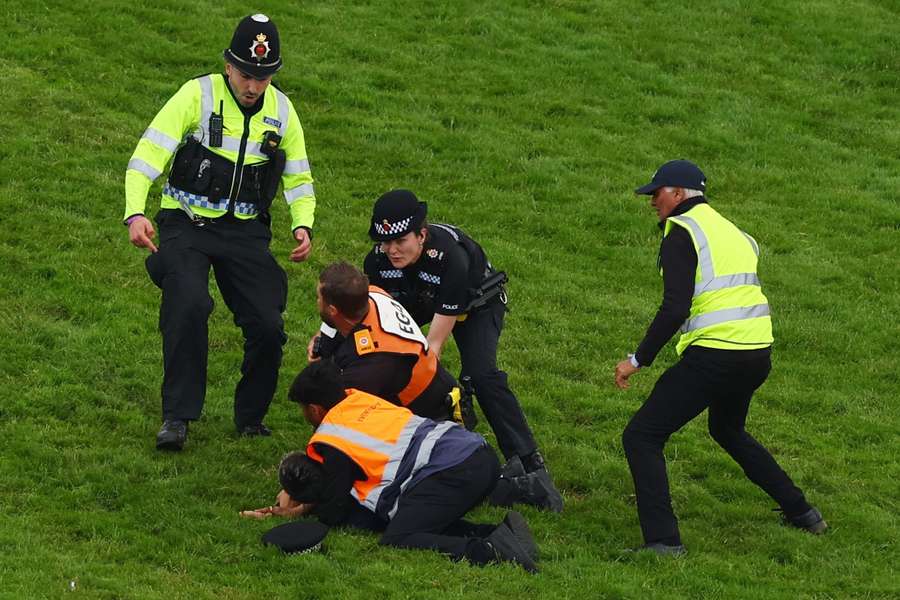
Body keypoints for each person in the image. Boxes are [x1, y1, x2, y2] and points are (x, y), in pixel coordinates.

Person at [123, 14, 317, 450]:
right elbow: (147, 154)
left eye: (263, 77)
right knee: (188, 304)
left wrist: (303, 222)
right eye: (247, 74)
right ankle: (177, 417)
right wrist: (136, 213)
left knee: (268, 324)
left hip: (245, 232)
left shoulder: (283, 112)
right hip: (186, 224)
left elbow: (300, 177)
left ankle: (250, 418)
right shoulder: (197, 94)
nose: (253, 86)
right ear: (228, 66)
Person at [614, 159, 827, 555]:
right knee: (728, 430)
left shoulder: (681, 231)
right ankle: (803, 512)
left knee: (642, 436)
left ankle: (663, 541)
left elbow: (675, 308)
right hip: (756, 353)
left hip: (716, 355)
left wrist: (637, 360)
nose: (651, 202)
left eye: (656, 193)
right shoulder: (735, 232)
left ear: (678, 193)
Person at [363, 190, 564, 512]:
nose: (392, 250)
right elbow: (376, 317)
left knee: (482, 375)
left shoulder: (449, 257)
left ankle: (529, 461)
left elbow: (434, 346)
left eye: (401, 240)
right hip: (420, 297)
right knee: (388, 362)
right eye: (385, 242)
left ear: (422, 234)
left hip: (476, 305)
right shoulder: (376, 261)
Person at [243, 359, 540, 572]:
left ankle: (489, 552)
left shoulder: (330, 436)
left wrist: (292, 508)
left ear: (315, 409)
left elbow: (333, 509)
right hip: (477, 454)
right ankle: (498, 533)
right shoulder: (358, 399)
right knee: (416, 519)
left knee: (399, 537)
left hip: (451, 471)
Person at [307, 261, 469, 423]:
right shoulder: (369, 294)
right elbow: (333, 324)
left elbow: (340, 413)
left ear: (333, 310)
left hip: (427, 419)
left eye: (319, 298)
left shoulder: (372, 362)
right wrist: (322, 342)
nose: (316, 302)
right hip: (429, 385)